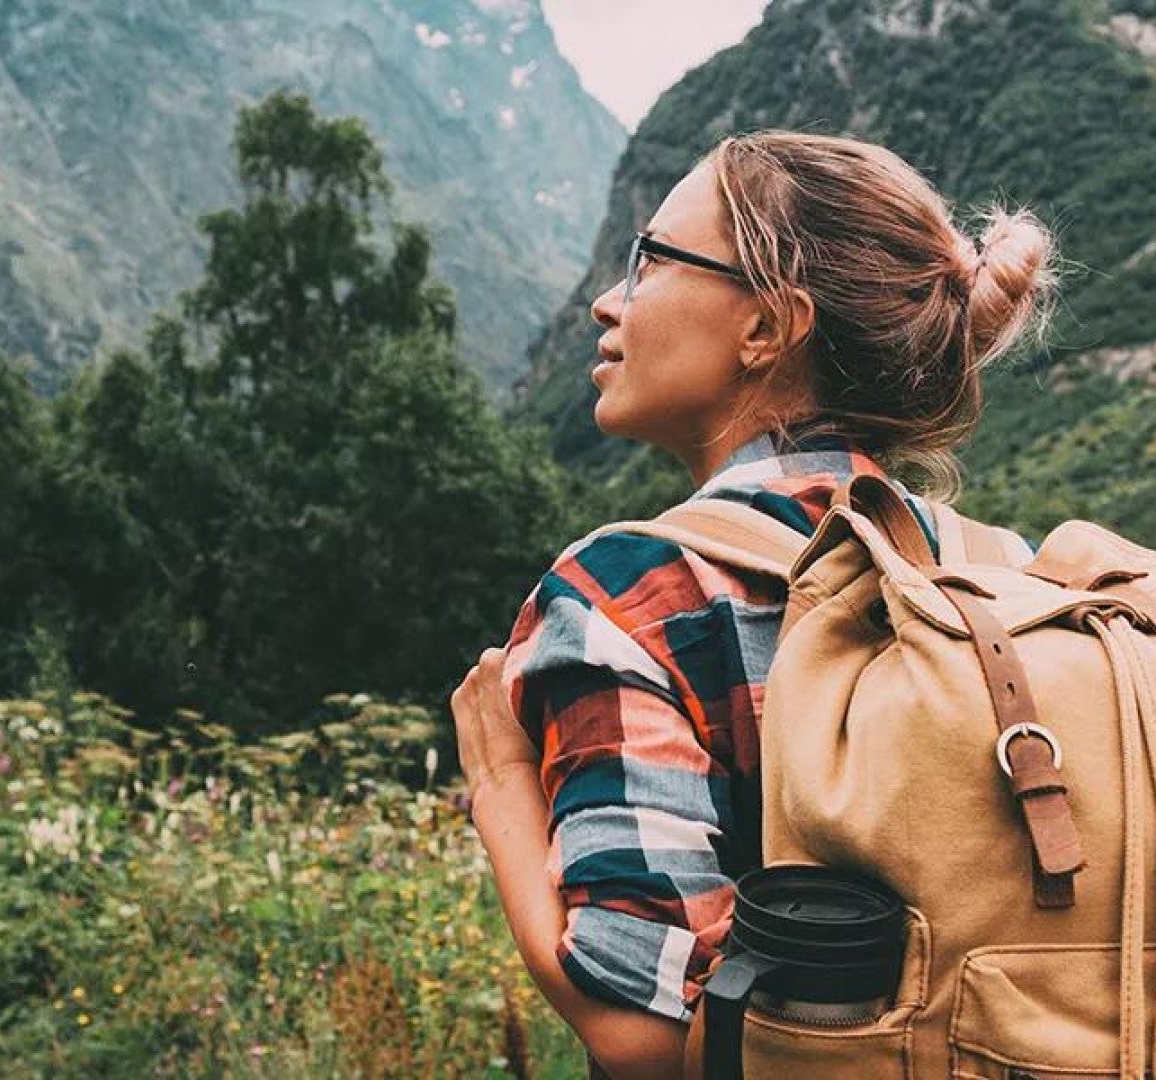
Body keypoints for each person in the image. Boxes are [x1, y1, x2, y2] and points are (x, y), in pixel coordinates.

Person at [449, 129, 1062, 1079]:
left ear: (767, 329)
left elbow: (645, 1036)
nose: (610, 303)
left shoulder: (628, 595)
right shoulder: (1017, 576)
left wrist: (497, 782)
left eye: (649, 262)